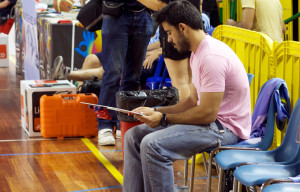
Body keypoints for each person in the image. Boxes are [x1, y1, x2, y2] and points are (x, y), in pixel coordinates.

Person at [122, 1, 251, 191]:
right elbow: (191, 101)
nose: (169, 40)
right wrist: (156, 110)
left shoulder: (211, 57)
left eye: (169, 33)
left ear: (182, 28)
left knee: (152, 145)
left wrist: (163, 119)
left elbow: (207, 114)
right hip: (211, 123)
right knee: (133, 136)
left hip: (225, 130)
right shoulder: (197, 52)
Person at [96, 0, 154, 145]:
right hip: (116, 13)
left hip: (144, 14)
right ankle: (105, 125)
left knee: (134, 75)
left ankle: (125, 121)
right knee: (113, 74)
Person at [137, 0, 203, 101]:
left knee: (180, 83)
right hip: (194, 24)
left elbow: (160, 5)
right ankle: (191, 114)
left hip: (174, 26)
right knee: (192, 82)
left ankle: (186, 115)